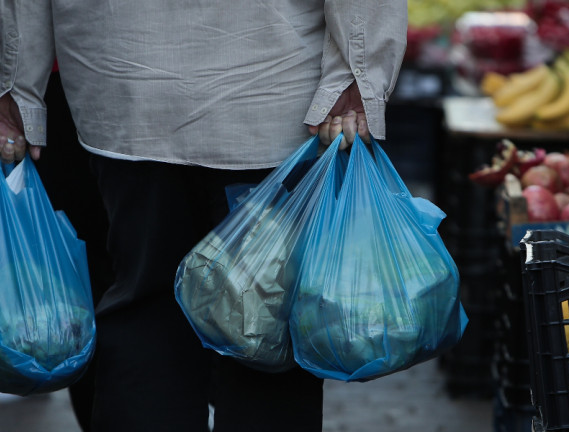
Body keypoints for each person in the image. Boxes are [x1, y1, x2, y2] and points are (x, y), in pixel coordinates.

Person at [0, 2, 407, 431]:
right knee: (265, 327)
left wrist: (13, 87)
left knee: (146, 316)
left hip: (126, 91)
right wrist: (361, 73)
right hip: (267, 84)